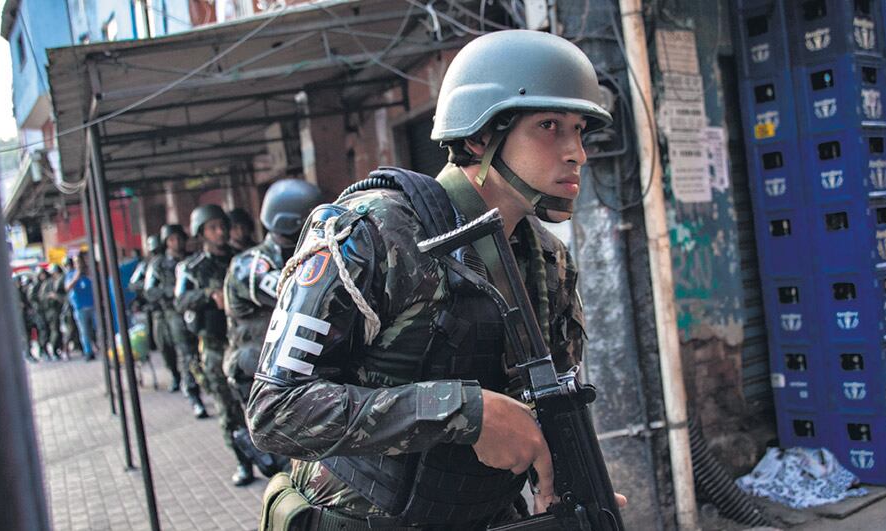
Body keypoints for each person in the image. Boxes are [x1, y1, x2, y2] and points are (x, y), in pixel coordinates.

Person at [247, 30, 624, 529]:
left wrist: (566, 488)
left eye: (580, 130)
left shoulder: (547, 261)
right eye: (549, 126)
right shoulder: (372, 231)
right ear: (478, 137)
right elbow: (275, 411)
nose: (575, 152)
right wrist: (463, 413)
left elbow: (551, 400)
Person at [223, 179, 322, 479]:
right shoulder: (250, 264)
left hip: (289, 372)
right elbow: (296, 295)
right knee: (286, 466)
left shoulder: (303, 254)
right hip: (255, 372)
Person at [174, 205, 251, 486]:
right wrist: (209, 295)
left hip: (247, 342)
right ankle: (243, 462)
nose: (220, 232)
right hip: (215, 346)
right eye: (213, 228)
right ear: (202, 233)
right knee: (228, 409)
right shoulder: (192, 268)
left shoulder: (241, 259)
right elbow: (180, 300)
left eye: (222, 226)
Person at [145, 224, 207, 413]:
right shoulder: (159, 264)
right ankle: (193, 394)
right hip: (174, 315)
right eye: (172, 239)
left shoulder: (193, 260)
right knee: (186, 355)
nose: (177, 243)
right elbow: (149, 290)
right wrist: (170, 293)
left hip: (198, 312)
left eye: (179, 238)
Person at [65, 254, 97, 361]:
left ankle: (102, 347)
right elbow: (68, 287)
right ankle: (88, 352)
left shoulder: (88, 274)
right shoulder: (71, 275)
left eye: (79, 261)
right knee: (84, 332)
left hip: (92, 305)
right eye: (76, 262)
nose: (78, 264)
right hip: (80, 308)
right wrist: (76, 277)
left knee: (98, 329)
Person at [40, 264, 66, 360]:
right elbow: (42, 297)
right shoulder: (48, 284)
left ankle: (58, 349)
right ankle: (54, 350)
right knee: (54, 330)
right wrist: (50, 297)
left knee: (59, 330)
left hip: (59, 309)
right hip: (51, 310)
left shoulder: (59, 281)